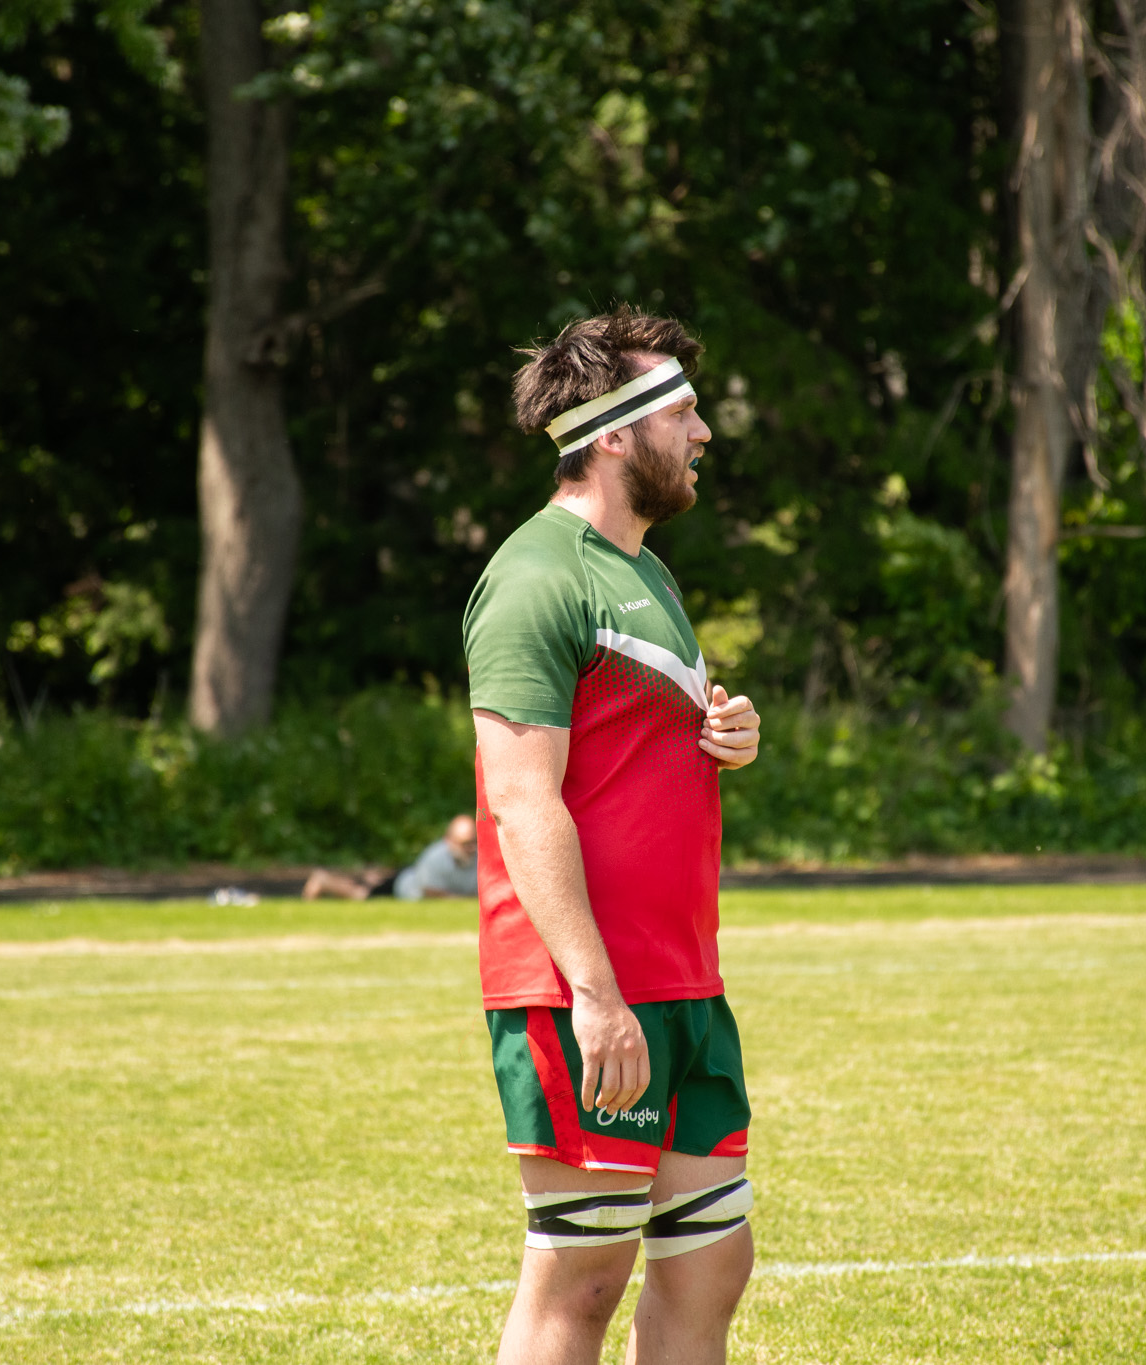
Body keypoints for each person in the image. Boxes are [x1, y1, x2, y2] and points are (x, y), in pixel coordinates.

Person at [465, 306, 764, 1365]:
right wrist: (595, 995)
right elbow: (521, 800)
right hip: (584, 993)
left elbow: (626, 748)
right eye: (683, 409)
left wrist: (723, 733)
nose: (703, 432)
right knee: (582, 1277)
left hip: (684, 983)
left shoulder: (642, 572)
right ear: (613, 434)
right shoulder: (536, 575)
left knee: (709, 1264)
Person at [301, 814, 479, 901]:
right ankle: (323, 881)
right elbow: (431, 893)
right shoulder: (436, 857)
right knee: (362, 894)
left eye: (474, 842)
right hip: (402, 888)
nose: (471, 848)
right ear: (449, 841)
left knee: (368, 884)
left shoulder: (479, 856)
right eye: (465, 843)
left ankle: (344, 879)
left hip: (408, 875)